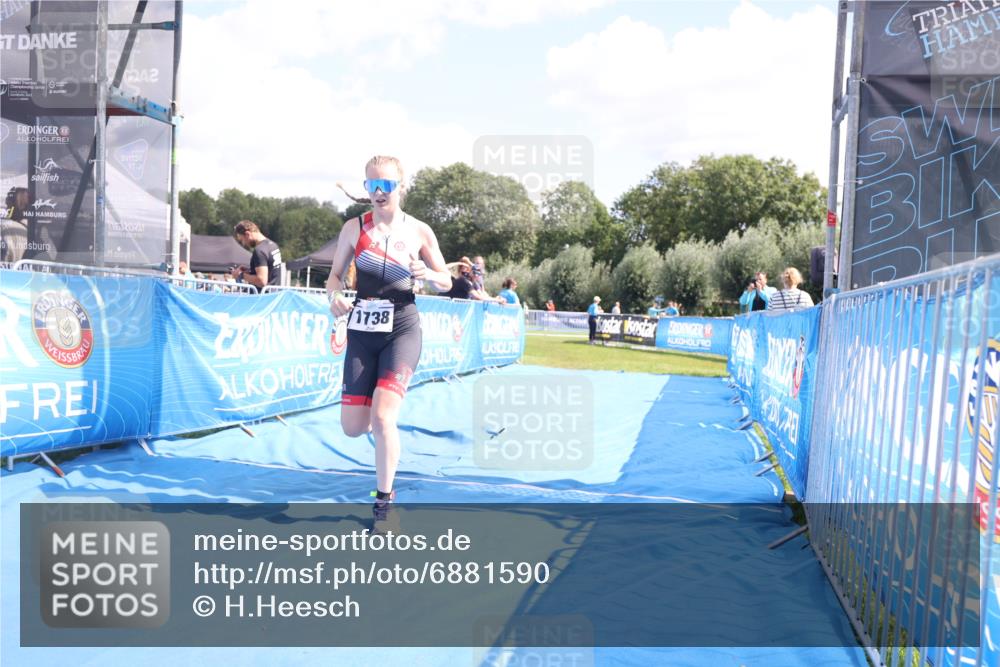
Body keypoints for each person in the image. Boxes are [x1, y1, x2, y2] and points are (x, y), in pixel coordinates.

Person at [326, 155, 452, 532]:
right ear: (366, 189)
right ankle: (383, 437)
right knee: (353, 427)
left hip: (402, 329)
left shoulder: (419, 230)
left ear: (401, 188)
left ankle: (384, 502)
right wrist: (334, 297)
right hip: (363, 332)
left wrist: (427, 273)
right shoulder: (354, 228)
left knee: (383, 418)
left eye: (387, 186)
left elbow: (446, 281)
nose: (379, 193)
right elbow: (334, 278)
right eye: (372, 186)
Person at [231, 220, 284, 291]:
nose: (243, 244)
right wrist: (250, 270)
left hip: (262, 298)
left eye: (242, 240)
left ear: (247, 234)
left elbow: (262, 281)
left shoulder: (259, 251)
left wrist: (241, 275)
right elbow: (270, 272)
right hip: (274, 295)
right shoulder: (273, 245)